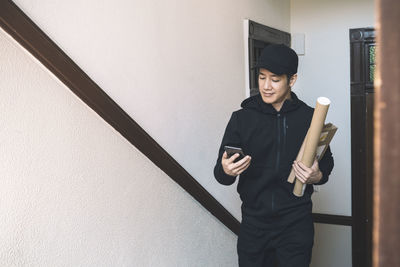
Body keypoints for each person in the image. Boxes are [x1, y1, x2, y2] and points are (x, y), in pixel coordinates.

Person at [213, 44, 334, 267]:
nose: (266, 86)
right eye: (261, 78)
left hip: (296, 225)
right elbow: (221, 175)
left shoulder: (310, 118)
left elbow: (326, 164)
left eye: (275, 79)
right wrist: (227, 170)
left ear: (292, 79)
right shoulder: (241, 119)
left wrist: (316, 176)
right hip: (254, 227)